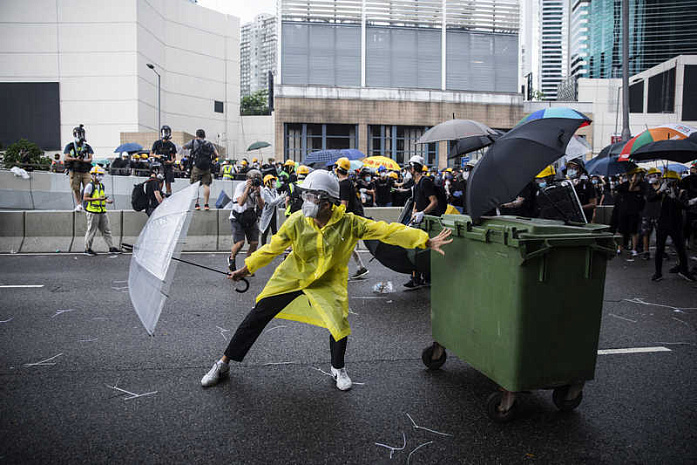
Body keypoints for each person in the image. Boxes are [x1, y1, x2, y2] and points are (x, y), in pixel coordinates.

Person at [201, 170, 453, 390]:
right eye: (306, 195)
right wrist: (247, 267)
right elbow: (273, 247)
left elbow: (387, 230)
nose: (305, 200)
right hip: (292, 276)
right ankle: (223, 363)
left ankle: (338, 368)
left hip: (328, 280)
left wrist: (425, 240)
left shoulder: (349, 223)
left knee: (338, 323)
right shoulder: (298, 220)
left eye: (310, 196)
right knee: (258, 314)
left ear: (326, 202)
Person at [404, 155, 446, 289]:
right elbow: (416, 201)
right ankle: (415, 277)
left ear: (414, 168)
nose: (408, 170)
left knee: (424, 249)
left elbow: (434, 202)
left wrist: (423, 213)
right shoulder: (416, 183)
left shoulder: (425, 181)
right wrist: (413, 214)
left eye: (410, 167)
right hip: (418, 220)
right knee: (415, 247)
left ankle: (426, 277)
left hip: (428, 220)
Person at [648, 170, 695, 282]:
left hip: (676, 224)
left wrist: (674, 197)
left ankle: (684, 270)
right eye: (665, 180)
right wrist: (660, 191)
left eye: (670, 180)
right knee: (659, 249)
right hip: (663, 223)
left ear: (676, 181)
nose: (668, 182)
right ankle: (658, 273)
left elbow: (685, 206)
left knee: (681, 249)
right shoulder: (663, 192)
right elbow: (651, 198)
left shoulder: (681, 192)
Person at [335, 157, 368, 280]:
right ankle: (361, 267)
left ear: (337, 169)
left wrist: (337, 216)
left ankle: (342, 272)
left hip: (349, 218)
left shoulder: (343, 184)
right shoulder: (347, 182)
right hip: (354, 216)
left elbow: (344, 204)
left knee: (344, 245)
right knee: (348, 244)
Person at [227, 169, 265, 272]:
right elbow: (241, 202)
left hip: (250, 217)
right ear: (248, 179)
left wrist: (258, 194)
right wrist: (247, 189)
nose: (255, 182)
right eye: (253, 180)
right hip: (238, 217)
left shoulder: (259, 189)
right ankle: (232, 257)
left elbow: (261, 206)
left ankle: (247, 266)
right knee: (240, 243)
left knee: (254, 243)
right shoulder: (241, 186)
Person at [82, 166, 120, 256]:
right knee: (91, 230)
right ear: (93, 175)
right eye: (98, 175)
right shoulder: (89, 186)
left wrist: (106, 201)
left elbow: (101, 198)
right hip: (93, 211)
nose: (100, 177)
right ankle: (87, 248)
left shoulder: (101, 186)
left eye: (101, 175)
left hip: (102, 211)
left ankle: (111, 247)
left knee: (106, 230)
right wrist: (98, 199)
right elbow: (85, 198)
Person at [614, 167, 646, 257]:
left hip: (635, 212)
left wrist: (633, 182)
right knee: (621, 230)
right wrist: (628, 180)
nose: (635, 177)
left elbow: (632, 189)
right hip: (623, 211)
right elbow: (621, 188)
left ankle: (634, 249)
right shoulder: (624, 185)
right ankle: (620, 248)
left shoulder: (642, 185)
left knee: (634, 231)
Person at [183, 129, 218, 211]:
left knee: (195, 186)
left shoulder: (193, 142)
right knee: (206, 185)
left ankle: (197, 204)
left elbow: (183, 147)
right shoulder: (209, 144)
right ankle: (206, 204)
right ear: (204, 136)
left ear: (196, 135)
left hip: (197, 167)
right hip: (207, 167)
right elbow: (217, 154)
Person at [64, 124, 94, 211]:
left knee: (88, 187)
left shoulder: (87, 147)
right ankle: (79, 204)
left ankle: (86, 204)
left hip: (85, 170)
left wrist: (83, 160)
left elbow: (90, 159)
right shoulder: (70, 146)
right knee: (76, 188)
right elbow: (66, 157)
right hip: (75, 170)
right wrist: (75, 159)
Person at [640, 168, 662, 260]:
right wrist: (659, 191)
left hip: (659, 212)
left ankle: (661, 251)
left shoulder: (663, 186)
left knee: (660, 233)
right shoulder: (647, 186)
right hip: (648, 212)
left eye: (655, 175)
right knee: (646, 233)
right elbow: (649, 197)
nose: (653, 177)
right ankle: (646, 251)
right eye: (651, 176)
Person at [150, 125, 177, 197]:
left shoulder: (172, 145)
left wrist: (170, 162)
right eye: (165, 132)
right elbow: (151, 154)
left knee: (168, 184)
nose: (166, 133)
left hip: (168, 166)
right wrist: (157, 156)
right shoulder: (157, 143)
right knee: (160, 183)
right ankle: (158, 198)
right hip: (159, 166)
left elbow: (174, 158)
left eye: (167, 132)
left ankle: (168, 197)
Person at [259, 174, 284, 245]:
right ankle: (263, 248)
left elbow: (278, 202)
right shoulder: (265, 191)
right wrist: (280, 198)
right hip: (267, 215)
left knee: (275, 232)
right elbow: (272, 202)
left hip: (274, 214)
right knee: (265, 232)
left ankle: (275, 247)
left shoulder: (274, 191)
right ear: (268, 182)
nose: (274, 182)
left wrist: (282, 198)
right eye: (273, 180)